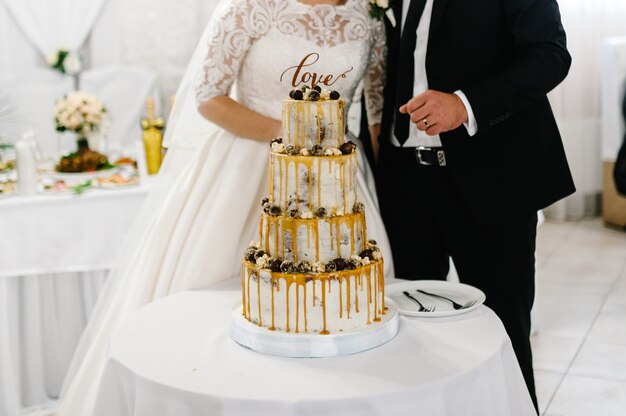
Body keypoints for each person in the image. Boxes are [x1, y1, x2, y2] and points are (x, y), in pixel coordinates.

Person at [57, 0, 394, 414]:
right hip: (242, 170)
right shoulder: (250, 7)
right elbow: (207, 97)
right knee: (223, 314)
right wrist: (291, 132)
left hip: (335, 181)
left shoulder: (370, 14)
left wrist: (390, 188)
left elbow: (377, 111)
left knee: (337, 305)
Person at [370, 0, 575, 410]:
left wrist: (464, 104)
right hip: (402, 184)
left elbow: (550, 55)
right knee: (409, 333)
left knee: (502, 335)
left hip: (493, 180)